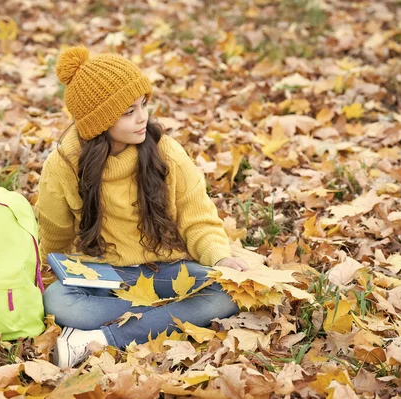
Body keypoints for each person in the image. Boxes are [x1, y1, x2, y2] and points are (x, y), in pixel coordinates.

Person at [35, 46, 247, 369]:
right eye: (128, 112)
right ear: (99, 122)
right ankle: (163, 320)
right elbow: (54, 235)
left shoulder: (166, 153)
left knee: (229, 293)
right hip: (105, 277)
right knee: (56, 300)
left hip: (168, 273)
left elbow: (198, 220)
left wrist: (221, 257)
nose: (143, 117)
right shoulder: (64, 164)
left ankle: (100, 340)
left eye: (144, 104)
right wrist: (38, 275)